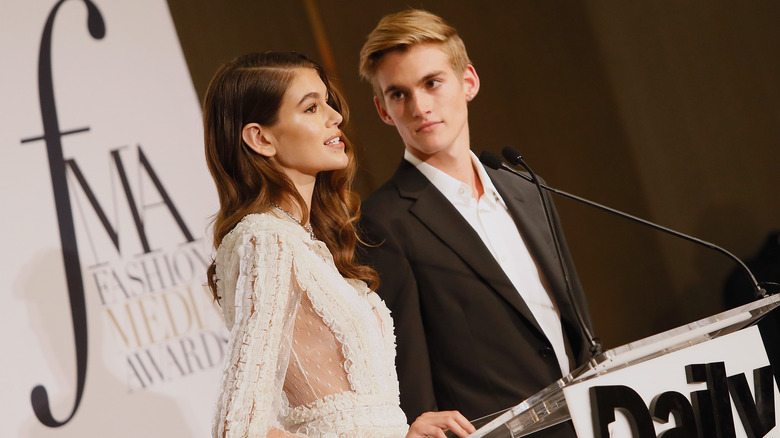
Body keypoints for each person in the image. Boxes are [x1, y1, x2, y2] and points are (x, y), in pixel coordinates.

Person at [203, 52, 475, 438]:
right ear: (260, 138)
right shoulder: (265, 240)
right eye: (311, 107)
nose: (335, 117)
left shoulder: (300, 238)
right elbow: (237, 427)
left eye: (327, 102)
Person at [357, 9, 593, 436]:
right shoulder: (383, 220)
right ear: (383, 110)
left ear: (468, 82)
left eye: (432, 83)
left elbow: (573, 326)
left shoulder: (525, 187)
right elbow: (409, 370)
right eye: (399, 94)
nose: (420, 107)